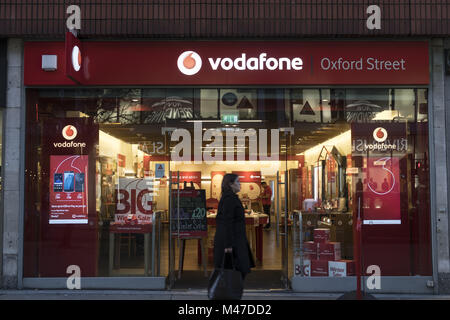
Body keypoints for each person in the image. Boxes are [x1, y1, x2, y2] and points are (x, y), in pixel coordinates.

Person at [213, 174, 255, 283]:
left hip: (235, 239)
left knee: (237, 271)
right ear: (231, 184)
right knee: (236, 271)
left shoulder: (229, 197)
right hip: (233, 241)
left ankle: (232, 291)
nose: (240, 184)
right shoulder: (229, 199)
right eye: (238, 182)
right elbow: (227, 222)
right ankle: (231, 293)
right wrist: (228, 245)